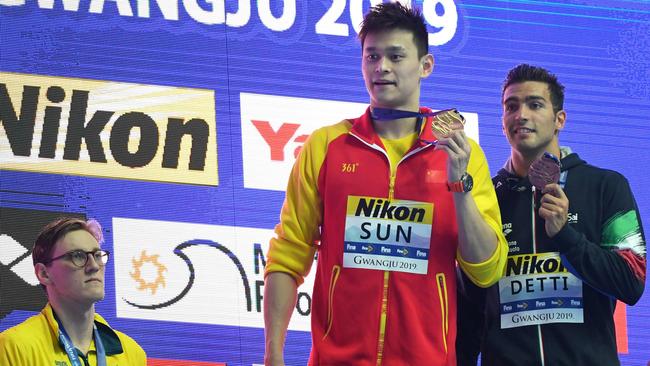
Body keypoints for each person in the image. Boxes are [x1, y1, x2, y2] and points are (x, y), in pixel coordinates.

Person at [263, 3, 508, 365]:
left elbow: (486, 270)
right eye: (372, 56)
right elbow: (288, 254)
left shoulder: (462, 153)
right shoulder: (325, 146)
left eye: (395, 56)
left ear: (426, 65)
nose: (382, 67)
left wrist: (459, 185)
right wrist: (274, 353)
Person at [456, 64, 647, 365]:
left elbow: (631, 280)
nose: (521, 115)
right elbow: (469, 308)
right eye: (511, 106)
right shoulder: (484, 198)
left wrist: (567, 237)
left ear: (560, 119)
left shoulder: (606, 186)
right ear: (502, 122)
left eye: (535, 104)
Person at [0, 218, 147, 365]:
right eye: (78, 256)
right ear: (44, 273)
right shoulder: (15, 347)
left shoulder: (132, 354)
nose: (94, 266)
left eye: (97, 255)